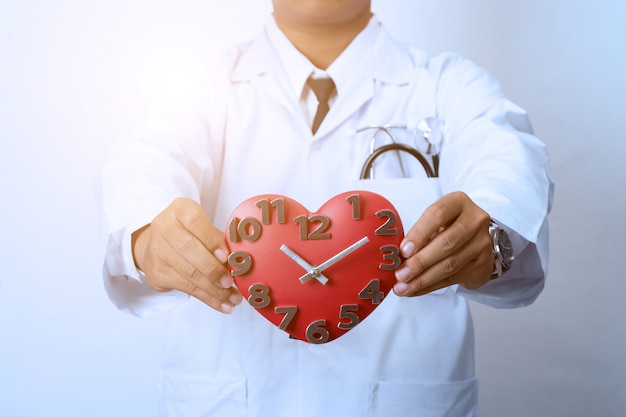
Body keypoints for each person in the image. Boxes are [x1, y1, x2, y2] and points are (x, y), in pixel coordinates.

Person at [101, 1, 554, 416]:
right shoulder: (199, 84)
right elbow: (147, 160)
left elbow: (507, 160)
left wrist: (491, 231)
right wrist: (146, 233)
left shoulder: (450, 87)